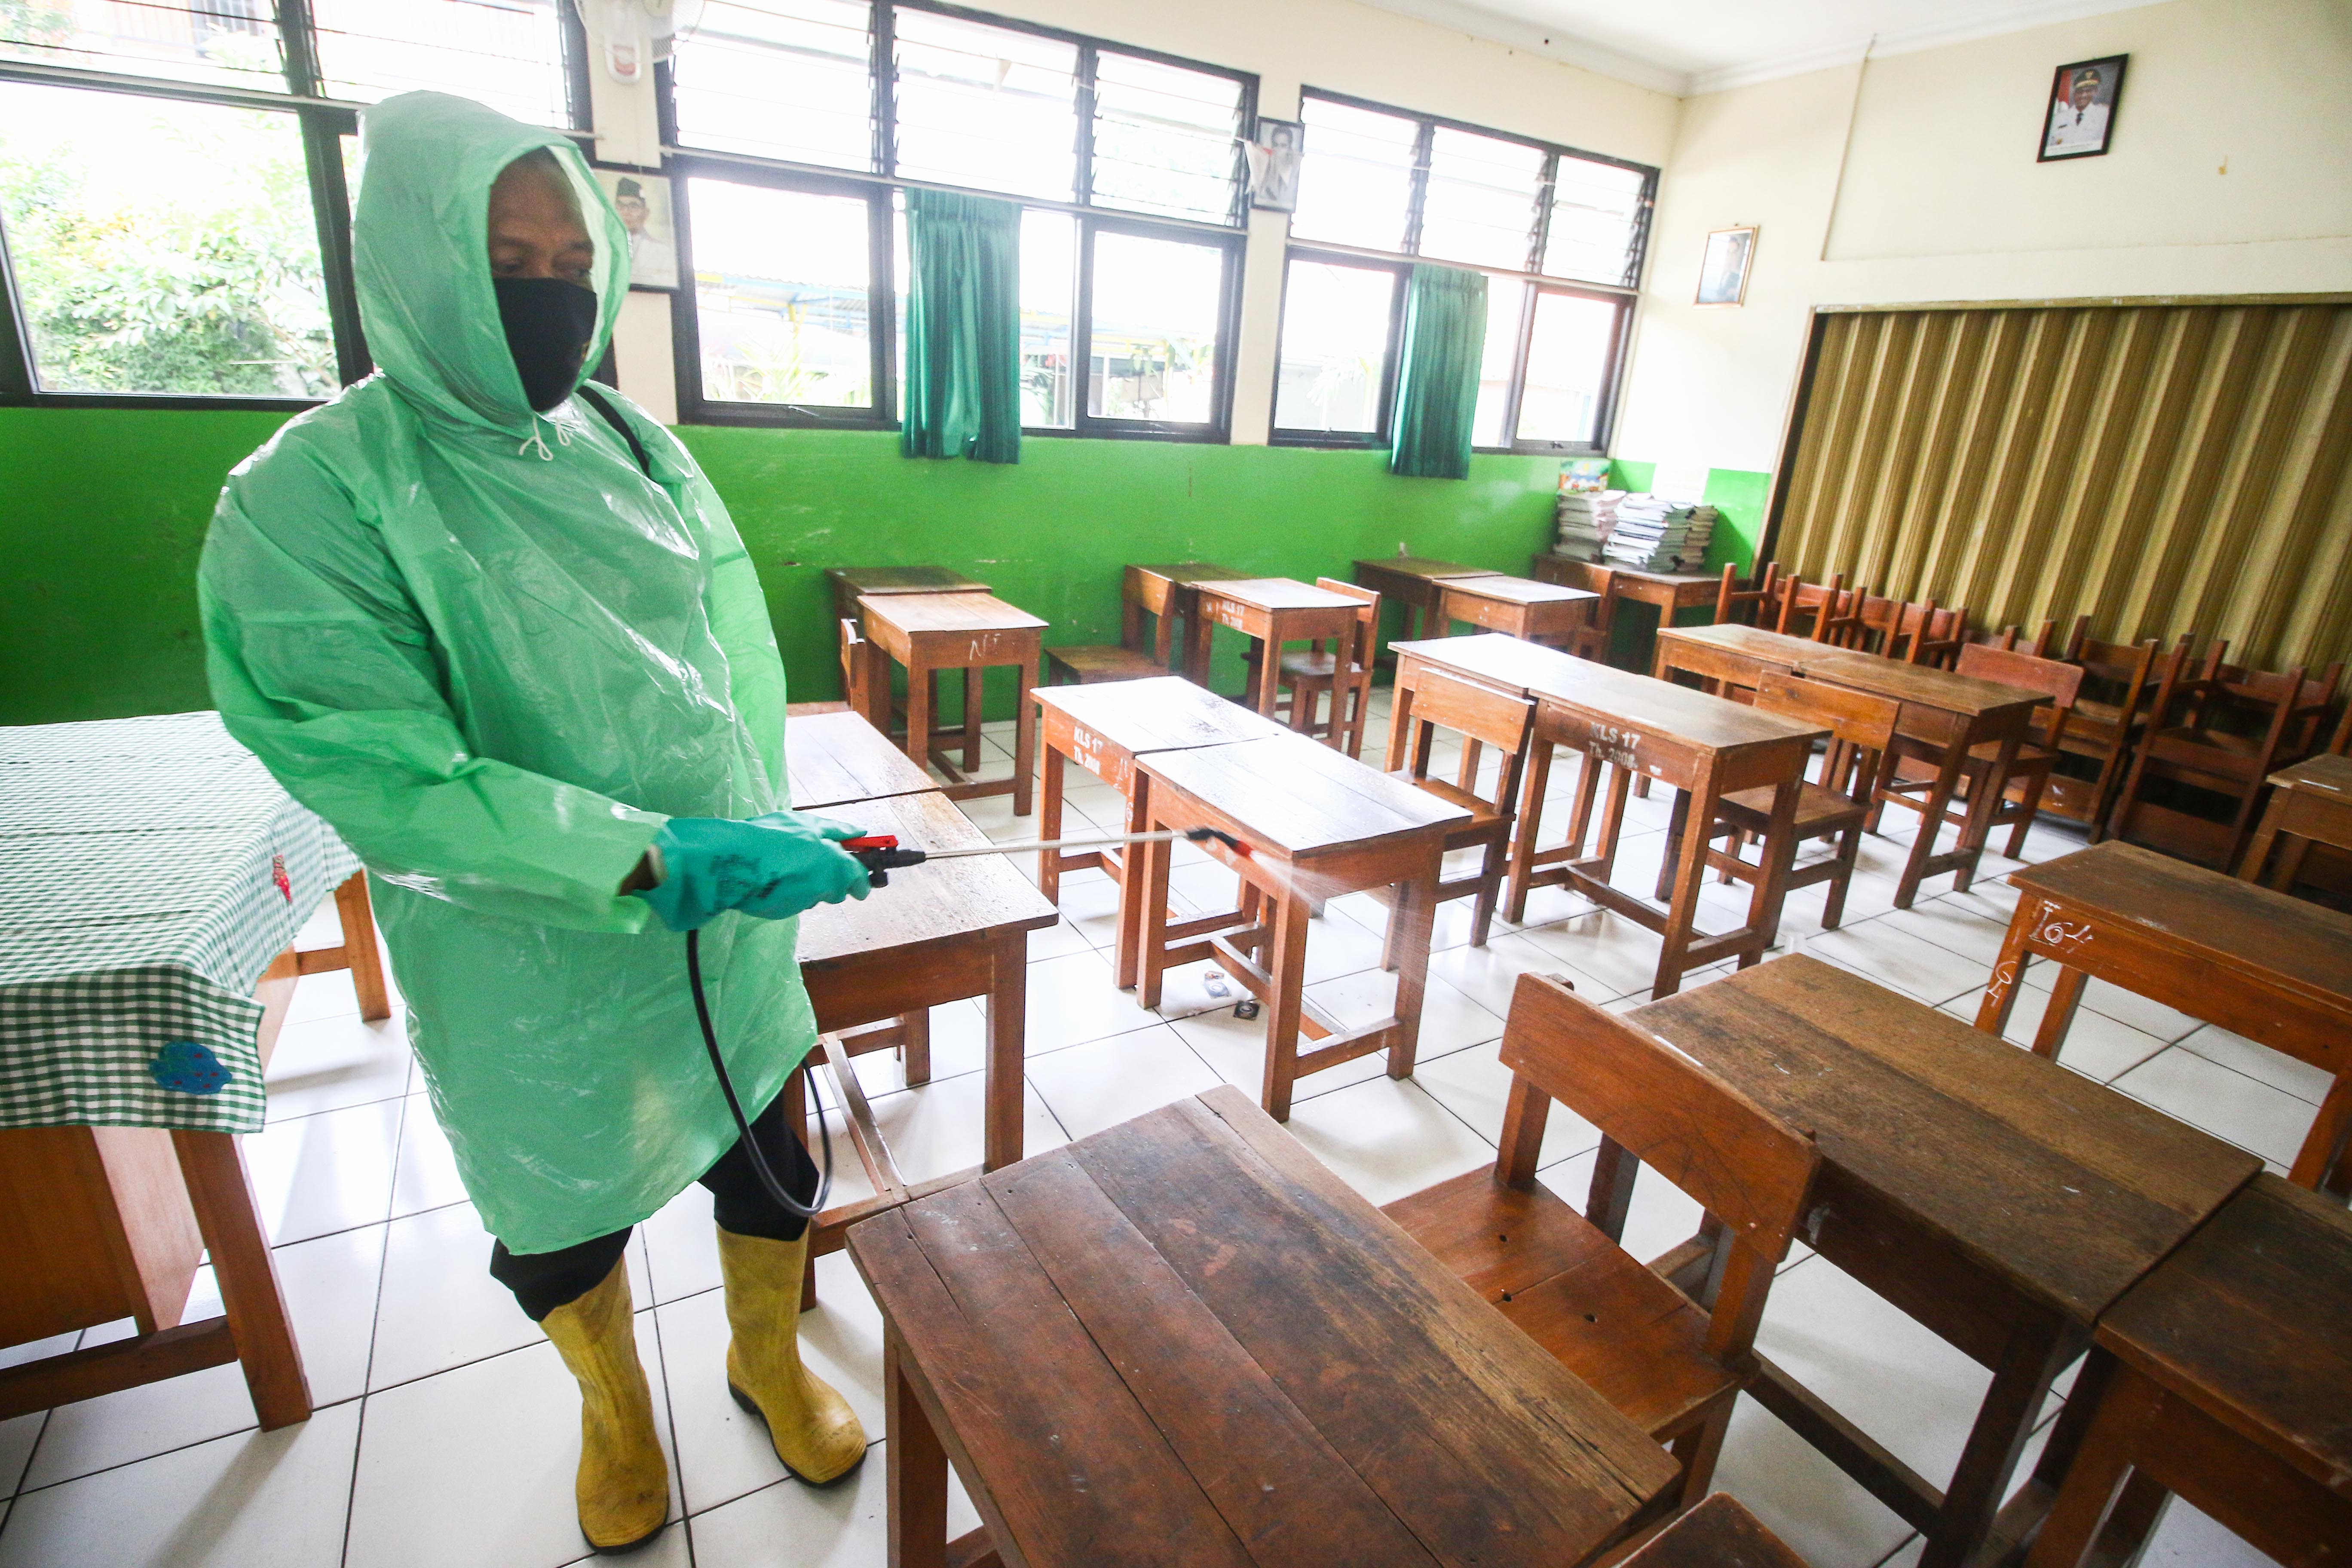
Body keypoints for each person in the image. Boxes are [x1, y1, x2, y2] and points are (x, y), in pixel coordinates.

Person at [200, 92, 870, 1554]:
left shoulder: (630, 440)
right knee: (561, 1207)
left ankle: (764, 1354)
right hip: (521, 946)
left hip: (719, 922)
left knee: (768, 1154)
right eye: (509, 255)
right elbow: (389, 774)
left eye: (574, 258)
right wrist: (640, 854)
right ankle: (617, 1411)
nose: (552, 289)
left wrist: (763, 822)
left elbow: (731, 664)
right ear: (415, 266)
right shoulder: (312, 493)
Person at [612, 174, 676, 288]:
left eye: (633, 206)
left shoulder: (663, 252)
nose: (626, 213)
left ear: (646, 213)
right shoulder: (605, 248)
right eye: (621, 206)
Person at [2045, 67, 2110, 154]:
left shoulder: (2103, 115)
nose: (2083, 95)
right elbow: (2049, 149)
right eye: (2080, 92)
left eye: (2088, 91)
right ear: (2074, 93)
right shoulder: (2059, 118)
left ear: (2095, 92)